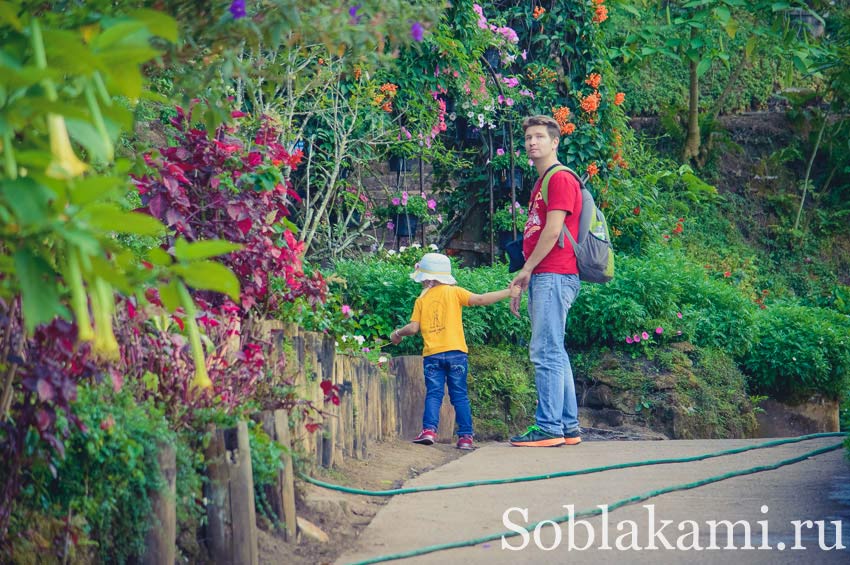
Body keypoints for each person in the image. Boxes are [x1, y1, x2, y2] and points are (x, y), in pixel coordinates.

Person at [390, 252, 520, 450]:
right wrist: (507, 292)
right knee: (459, 395)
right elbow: (481, 299)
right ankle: (466, 437)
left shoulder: (421, 300)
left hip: (433, 355)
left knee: (434, 394)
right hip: (457, 353)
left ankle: (429, 431)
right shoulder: (455, 292)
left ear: (428, 278)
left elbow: (413, 328)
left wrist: (397, 333)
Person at [508, 114, 583, 448]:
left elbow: (553, 230)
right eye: (528, 138)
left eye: (539, 137)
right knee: (555, 351)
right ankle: (568, 427)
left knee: (544, 351)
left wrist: (527, 269)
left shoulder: (560, 178)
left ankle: (549, 426)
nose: (532, 143)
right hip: (549, 273)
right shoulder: (542, 182)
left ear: (555, 142)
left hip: (554, 273)